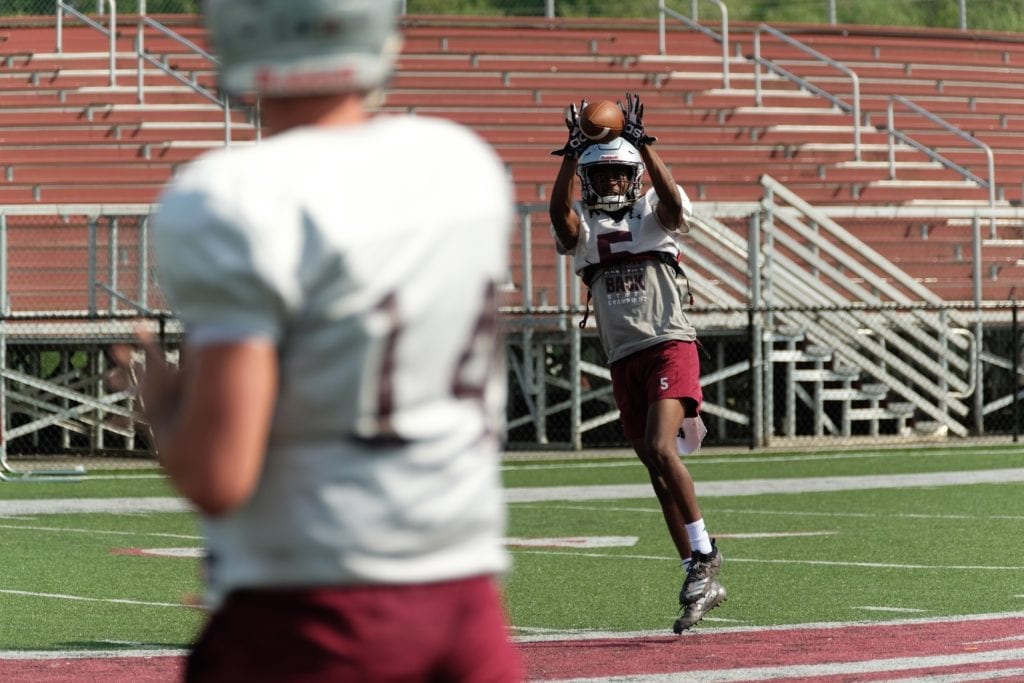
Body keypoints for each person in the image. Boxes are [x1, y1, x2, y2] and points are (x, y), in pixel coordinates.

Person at [113, 0, 523, 680]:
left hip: (313, 612)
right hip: (468, 601)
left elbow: (218, 476)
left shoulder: (233, 197)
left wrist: (160, 403)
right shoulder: (463, 164)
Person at [548, 92, 725, 634]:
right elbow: (560, 219)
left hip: (670, 341)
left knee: (657, 447)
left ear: (636, 176)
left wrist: (645, 148)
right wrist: (570, 159)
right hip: (623, 356)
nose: (614, 186)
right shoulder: (585, 227)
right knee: (654, 467)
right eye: (602, 179)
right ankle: (695, 569)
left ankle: (705, 554)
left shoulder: (654, 213)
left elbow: (673, 208)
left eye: (622, 177)